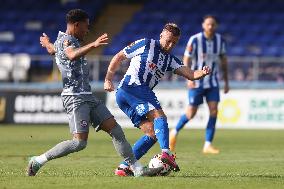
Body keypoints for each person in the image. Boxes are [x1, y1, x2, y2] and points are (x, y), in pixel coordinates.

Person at [26, 9, 162, 177]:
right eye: (85, 26)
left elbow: (54, 50)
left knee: (116, 131)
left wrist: (47, 44)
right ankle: (38, 160)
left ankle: (137, 168)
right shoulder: (69, 41)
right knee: (79, 143)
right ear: (76, 25)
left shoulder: (63, 40)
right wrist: (93, 44)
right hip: (75, 98)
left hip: (88, 96)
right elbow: (71, 55)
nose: (87, 30)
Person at [104, 23, 211, 176]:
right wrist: (108, 79)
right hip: (133, 86)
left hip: (127, 96)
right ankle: (166, 153)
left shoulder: (170, 60)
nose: (170, 45)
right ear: (161, 36)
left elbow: (191, 74)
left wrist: (203, 72)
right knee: (159, 116)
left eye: (174, 42)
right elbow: (119, 56)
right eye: (168, 40)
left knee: (153, 133)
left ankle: (124, 167)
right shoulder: (146, 43)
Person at [169, 15, 229, 154]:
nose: (210, 27)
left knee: (214, 110)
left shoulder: (220, 41)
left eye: (213, 24)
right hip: (197, 81)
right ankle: (174, 131)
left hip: (213, 81)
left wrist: (226, 82)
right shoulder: (195, 40)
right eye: (208, 24)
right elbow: (186, 58)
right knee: (191, 113)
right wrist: (189, 77)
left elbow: (224, 62)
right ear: (203, 25)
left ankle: (207, 145)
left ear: (216, 26)